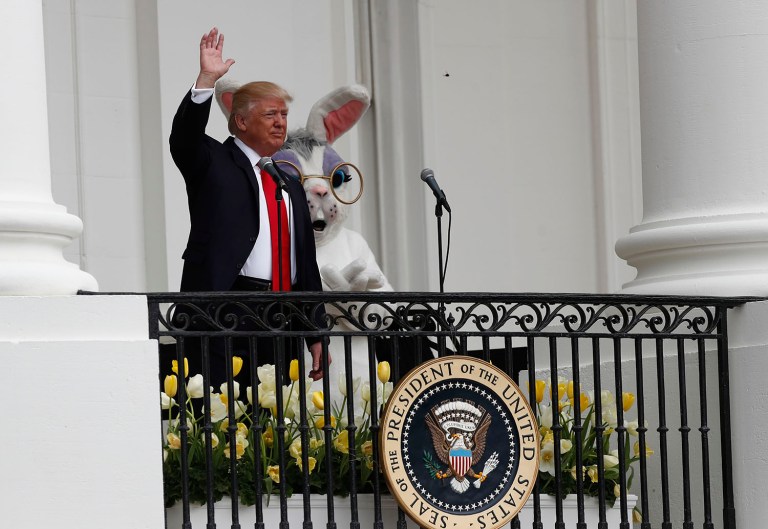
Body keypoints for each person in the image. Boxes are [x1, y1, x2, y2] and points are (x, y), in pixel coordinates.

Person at [169, 27, 328, 386]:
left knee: (277, 425)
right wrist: (206, 80)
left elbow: (306, 264)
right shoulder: (213, 161)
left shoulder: (287, 183)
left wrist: (316, 333)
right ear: (241, 121)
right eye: (271, 114)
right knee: (226, 421)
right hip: (225, 314)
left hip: (282, 318)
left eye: (284, 115)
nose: (280, 123)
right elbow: (184, 138)